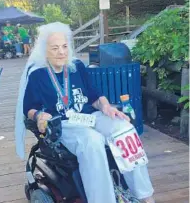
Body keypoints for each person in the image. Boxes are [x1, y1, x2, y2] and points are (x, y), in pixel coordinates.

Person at [15, 22, 155, 203]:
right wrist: (39, 115)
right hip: (64, 123)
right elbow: (29, 108)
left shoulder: (76, 67)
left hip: (89, 117)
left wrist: (106, 107)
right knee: (92, 141)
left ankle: (145, 195)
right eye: (55, 48)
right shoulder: (37, 75)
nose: (61, 52)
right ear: (45, 50)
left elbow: (94, 95)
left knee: (124, 128)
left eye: (65, 46)